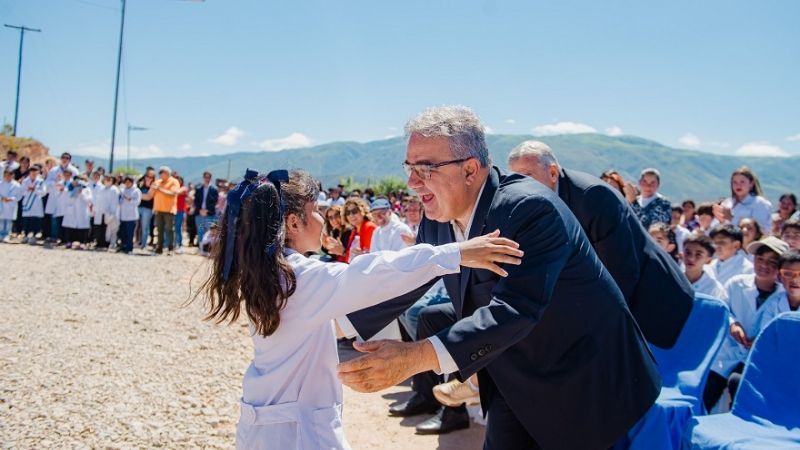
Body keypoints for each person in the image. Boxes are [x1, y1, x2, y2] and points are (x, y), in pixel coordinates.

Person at [337, 106, 660, 449]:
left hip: (587, 381)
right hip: (512, 374)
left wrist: (413, 357)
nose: (412, 183)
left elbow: (515, 309)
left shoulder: (529, 208)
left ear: (470, 169)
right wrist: (330, 329)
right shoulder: (436, 219)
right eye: (410, 168)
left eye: (426, 168)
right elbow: (406, 282)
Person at [194, 168, 521, 450]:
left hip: (267, 423)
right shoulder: (301, 280)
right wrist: (456, 253)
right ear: (294, 223)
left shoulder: (269, 273)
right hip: (297, 432)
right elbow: (375, 272)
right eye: (317, 209)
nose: (323, 218)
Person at [506, 140, 693, 348]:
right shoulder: (534, 201)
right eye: (515, 179)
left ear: (552, 172)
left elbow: (621, 271)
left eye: (527, 177)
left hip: (651, 301)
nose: (520, 186)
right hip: (601, 301)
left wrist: (589, 327)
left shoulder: (593, 197)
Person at [703, 236, 788, 412]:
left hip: (755, 359)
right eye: (760, 259)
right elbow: (722, 308)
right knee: (708, 391)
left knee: (743, 398)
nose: (764, 265)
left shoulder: (783, 296)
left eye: (772, 262)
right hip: (727, 353)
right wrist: (732, 324)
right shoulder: (736, 283)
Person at [713, 166, 772, 232]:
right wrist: (720, 220)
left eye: (742, 182)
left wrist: (732, 218)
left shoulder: (760, 204)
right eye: (735, 182)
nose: (738, 185)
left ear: (751, 184)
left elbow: (762, 229)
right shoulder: (727, 202)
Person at [142, 166, 180, 255]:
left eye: (162, 172)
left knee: (170, 230)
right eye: (160, 172)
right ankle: (159, 248)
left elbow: (173, 193)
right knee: (159, 230)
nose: (160, 174)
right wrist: (138, 195)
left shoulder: (174, 182)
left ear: (167, 173)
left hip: (169, 210)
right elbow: (149, 196)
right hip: (158, 210)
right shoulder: (157, 182)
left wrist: (160, 189)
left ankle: (171, 248)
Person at [683, 234, 727, 300]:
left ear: (708, 260)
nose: (691, 258)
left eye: (698, 254)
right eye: (688, 253)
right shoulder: (672, 281)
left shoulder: (714, 288)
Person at [61, 177, 93, 250]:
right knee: (70, 227)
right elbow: (67, 198)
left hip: (82, 211)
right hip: (72, 211)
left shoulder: (87, 189)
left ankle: (82, 243)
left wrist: (81, 194)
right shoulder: (69, 188)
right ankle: (69, 241)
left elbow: (89, 200)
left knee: (83, 227)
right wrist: (73, 192)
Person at [341, 197, 376, 262]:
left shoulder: (369, 227)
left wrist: (362, 255)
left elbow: (371, 256)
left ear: (363, 211)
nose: (351, 215)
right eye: (348, 213)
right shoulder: (354, 230)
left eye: (354, 211)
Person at [19, 164, 45, 244]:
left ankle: (34, 236)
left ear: (38, 172)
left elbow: (44, 192)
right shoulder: (25, 181)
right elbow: (21, 192)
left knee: (35, 220)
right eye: (32, 171)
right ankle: (26, 235)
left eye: (35, 172)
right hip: (27, 202)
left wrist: (35, 190)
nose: (33, 173)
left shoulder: (41, 181)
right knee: (27, 220)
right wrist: (28, 189)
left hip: (36, 203)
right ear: (29, 172)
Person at [194, 171, 218, 249]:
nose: (207, 179)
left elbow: (214, 201)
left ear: (210, 178)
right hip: (199, 213)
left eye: (208, 177)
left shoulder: (214, 189)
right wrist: (200, 210)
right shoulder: (198, 189)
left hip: (210, 214)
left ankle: (209, 249)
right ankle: (201, 248)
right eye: (206, 177)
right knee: (200, 231)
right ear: (203, 178)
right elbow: (196, 201)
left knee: (210, 232)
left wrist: (207, 210)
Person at [119, 176, 141, 254]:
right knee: (123, 232)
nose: (127, 184)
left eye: (129, 182)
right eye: (126, 182)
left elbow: (137, 202)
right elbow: (120, 201)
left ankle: (129, 248)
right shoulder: (123, 190)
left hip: (132, 215)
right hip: (123, 215)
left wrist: (129, 200)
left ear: (132, 182)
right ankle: (123, 246)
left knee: (130, 233)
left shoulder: (136, 191)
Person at [137, 167, 156, 249]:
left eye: (151, 177)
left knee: (145, 227)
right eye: (147, 176)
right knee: (136, 226)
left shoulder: (154, 186)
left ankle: (143, 244)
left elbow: (148, 197)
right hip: (138, 207)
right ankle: (137, 242)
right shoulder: (139, 184)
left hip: (148, 209)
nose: (148, 178)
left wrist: (137, 195)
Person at [0, 168, 21, 242]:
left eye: (9, 175)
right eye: (6, 175)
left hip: (11, 204)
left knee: (9, 222)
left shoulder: (16, 185)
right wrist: (2, 198)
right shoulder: (1, 183)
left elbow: (19, 196)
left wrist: (11, 199)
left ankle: (7, 235)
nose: (7, 177)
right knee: (1, 221)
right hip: (1, 204)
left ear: (13, 176)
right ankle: (0, 234)